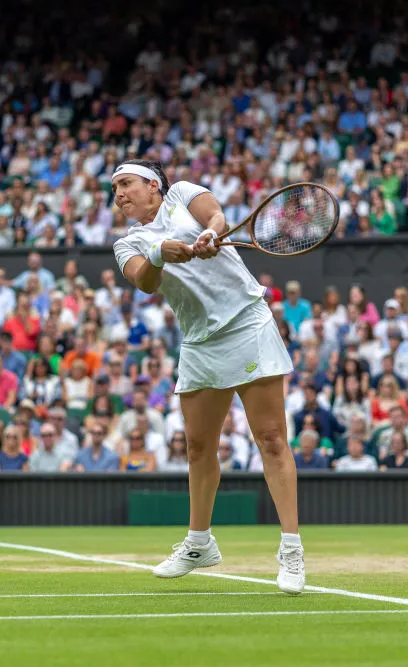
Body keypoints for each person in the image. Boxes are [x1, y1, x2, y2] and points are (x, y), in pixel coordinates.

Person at [110, 159, 303, 593]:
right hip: (199, 341)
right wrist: (162, 253)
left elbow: (215, 215)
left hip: (247, 323)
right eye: (115, 188)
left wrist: (211, 232)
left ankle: (291, 550)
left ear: (153, 185)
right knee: (198, 448)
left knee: (271, 439)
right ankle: (200, 544)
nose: (119, 194)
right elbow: (143, 280)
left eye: (126, 183)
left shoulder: (180, 193)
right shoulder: (129, 243)